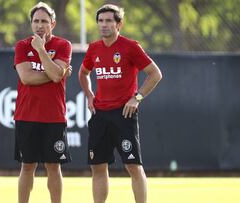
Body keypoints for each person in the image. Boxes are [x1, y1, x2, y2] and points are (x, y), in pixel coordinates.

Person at [78, 4, 162, 203]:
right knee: (98, 167)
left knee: (133, 166)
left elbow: (155, 74)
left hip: (123, 115)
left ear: (119, 24)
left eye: (109, 21)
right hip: (100, 115)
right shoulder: (94, 48)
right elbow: (83, 73)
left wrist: (137, 98)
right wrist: (89, 95)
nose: (104, 25)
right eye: (100, 21)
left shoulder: (131, 47)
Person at [13, 2, 72, 203]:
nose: (40, 25)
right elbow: (27, 78)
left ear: (52, 23)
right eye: (36, 21)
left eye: (44, 21)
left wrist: (41, 51)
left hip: (54, 116)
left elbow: (56, 75)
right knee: (27, 166)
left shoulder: (63, 45)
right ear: (31, 24)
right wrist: (56, 72)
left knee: (53, 167)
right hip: (26, 115)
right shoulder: (22, 45)